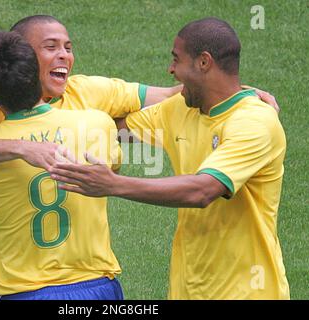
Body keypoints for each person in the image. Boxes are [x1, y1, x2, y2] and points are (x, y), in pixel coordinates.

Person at [50, 17, 290, 299]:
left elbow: (202, 190)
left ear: (203, 62)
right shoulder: (181, 108)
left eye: (176, 60)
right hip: (188, 289)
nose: (171, 69)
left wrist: (112, 184)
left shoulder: (254, 122)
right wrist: (38, 118)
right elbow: (117, 129)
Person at [0, 30, 124, 300]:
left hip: (23, 292)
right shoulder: (97, 124)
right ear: (36, 75)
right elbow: (111, 171)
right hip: (98, 288)